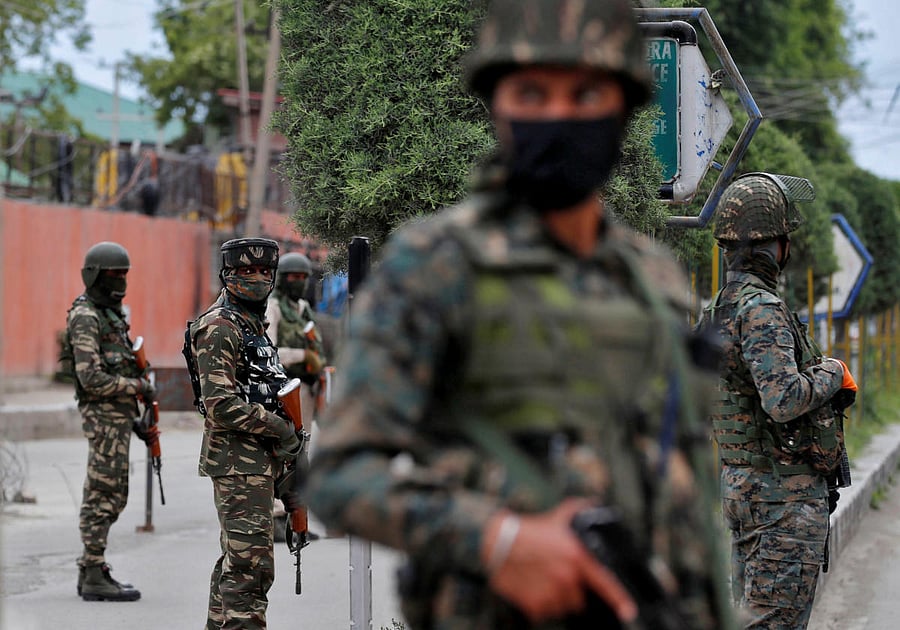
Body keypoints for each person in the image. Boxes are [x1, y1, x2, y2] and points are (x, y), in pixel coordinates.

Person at [305, 1, 735, 628]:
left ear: (625, 107)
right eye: (531, 93)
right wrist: (498, 542)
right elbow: (340, 478)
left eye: (586, 93)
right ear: (497, 107)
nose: (559, 117)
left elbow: (685, 489)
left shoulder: (653, 278)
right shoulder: (435, 265)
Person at [702, 173, 858, 628]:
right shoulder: (762, 309)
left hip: (744, 492)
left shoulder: (719, 308)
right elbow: (782, 399)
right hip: (781, 502)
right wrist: (833, 372)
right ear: (776, 245)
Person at [184, 237, 303, 629]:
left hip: (257, 462)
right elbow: (220, 404)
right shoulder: (219, 326)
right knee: (249, 572)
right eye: (245, 271)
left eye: (264, 272)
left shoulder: (252, 324)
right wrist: (279, 428)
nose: (256, 279)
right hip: (238, 463)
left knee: (237, 567)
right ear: (228, 274)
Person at [67, 241, 156, 601]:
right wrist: (136, 385)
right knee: (103, 494)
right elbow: (91, 379)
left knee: (115, 492)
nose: (120, 281)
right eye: (113, 275)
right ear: (94, 276)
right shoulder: (86, 315)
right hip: (102, 419)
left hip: (116, 419)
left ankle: (95, 567)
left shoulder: (113, 313)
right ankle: (91, 570)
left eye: (124, 274)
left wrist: (135, 419)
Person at [265, 251, 326, 423]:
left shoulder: (304, 307)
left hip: (309, 387)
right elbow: (270, 353)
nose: (300, 282)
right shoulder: (273, 307)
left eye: (303, 277)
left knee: (305, 443)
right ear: (283, 279)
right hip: (285, 389)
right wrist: (304, 356)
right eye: (294, 277)